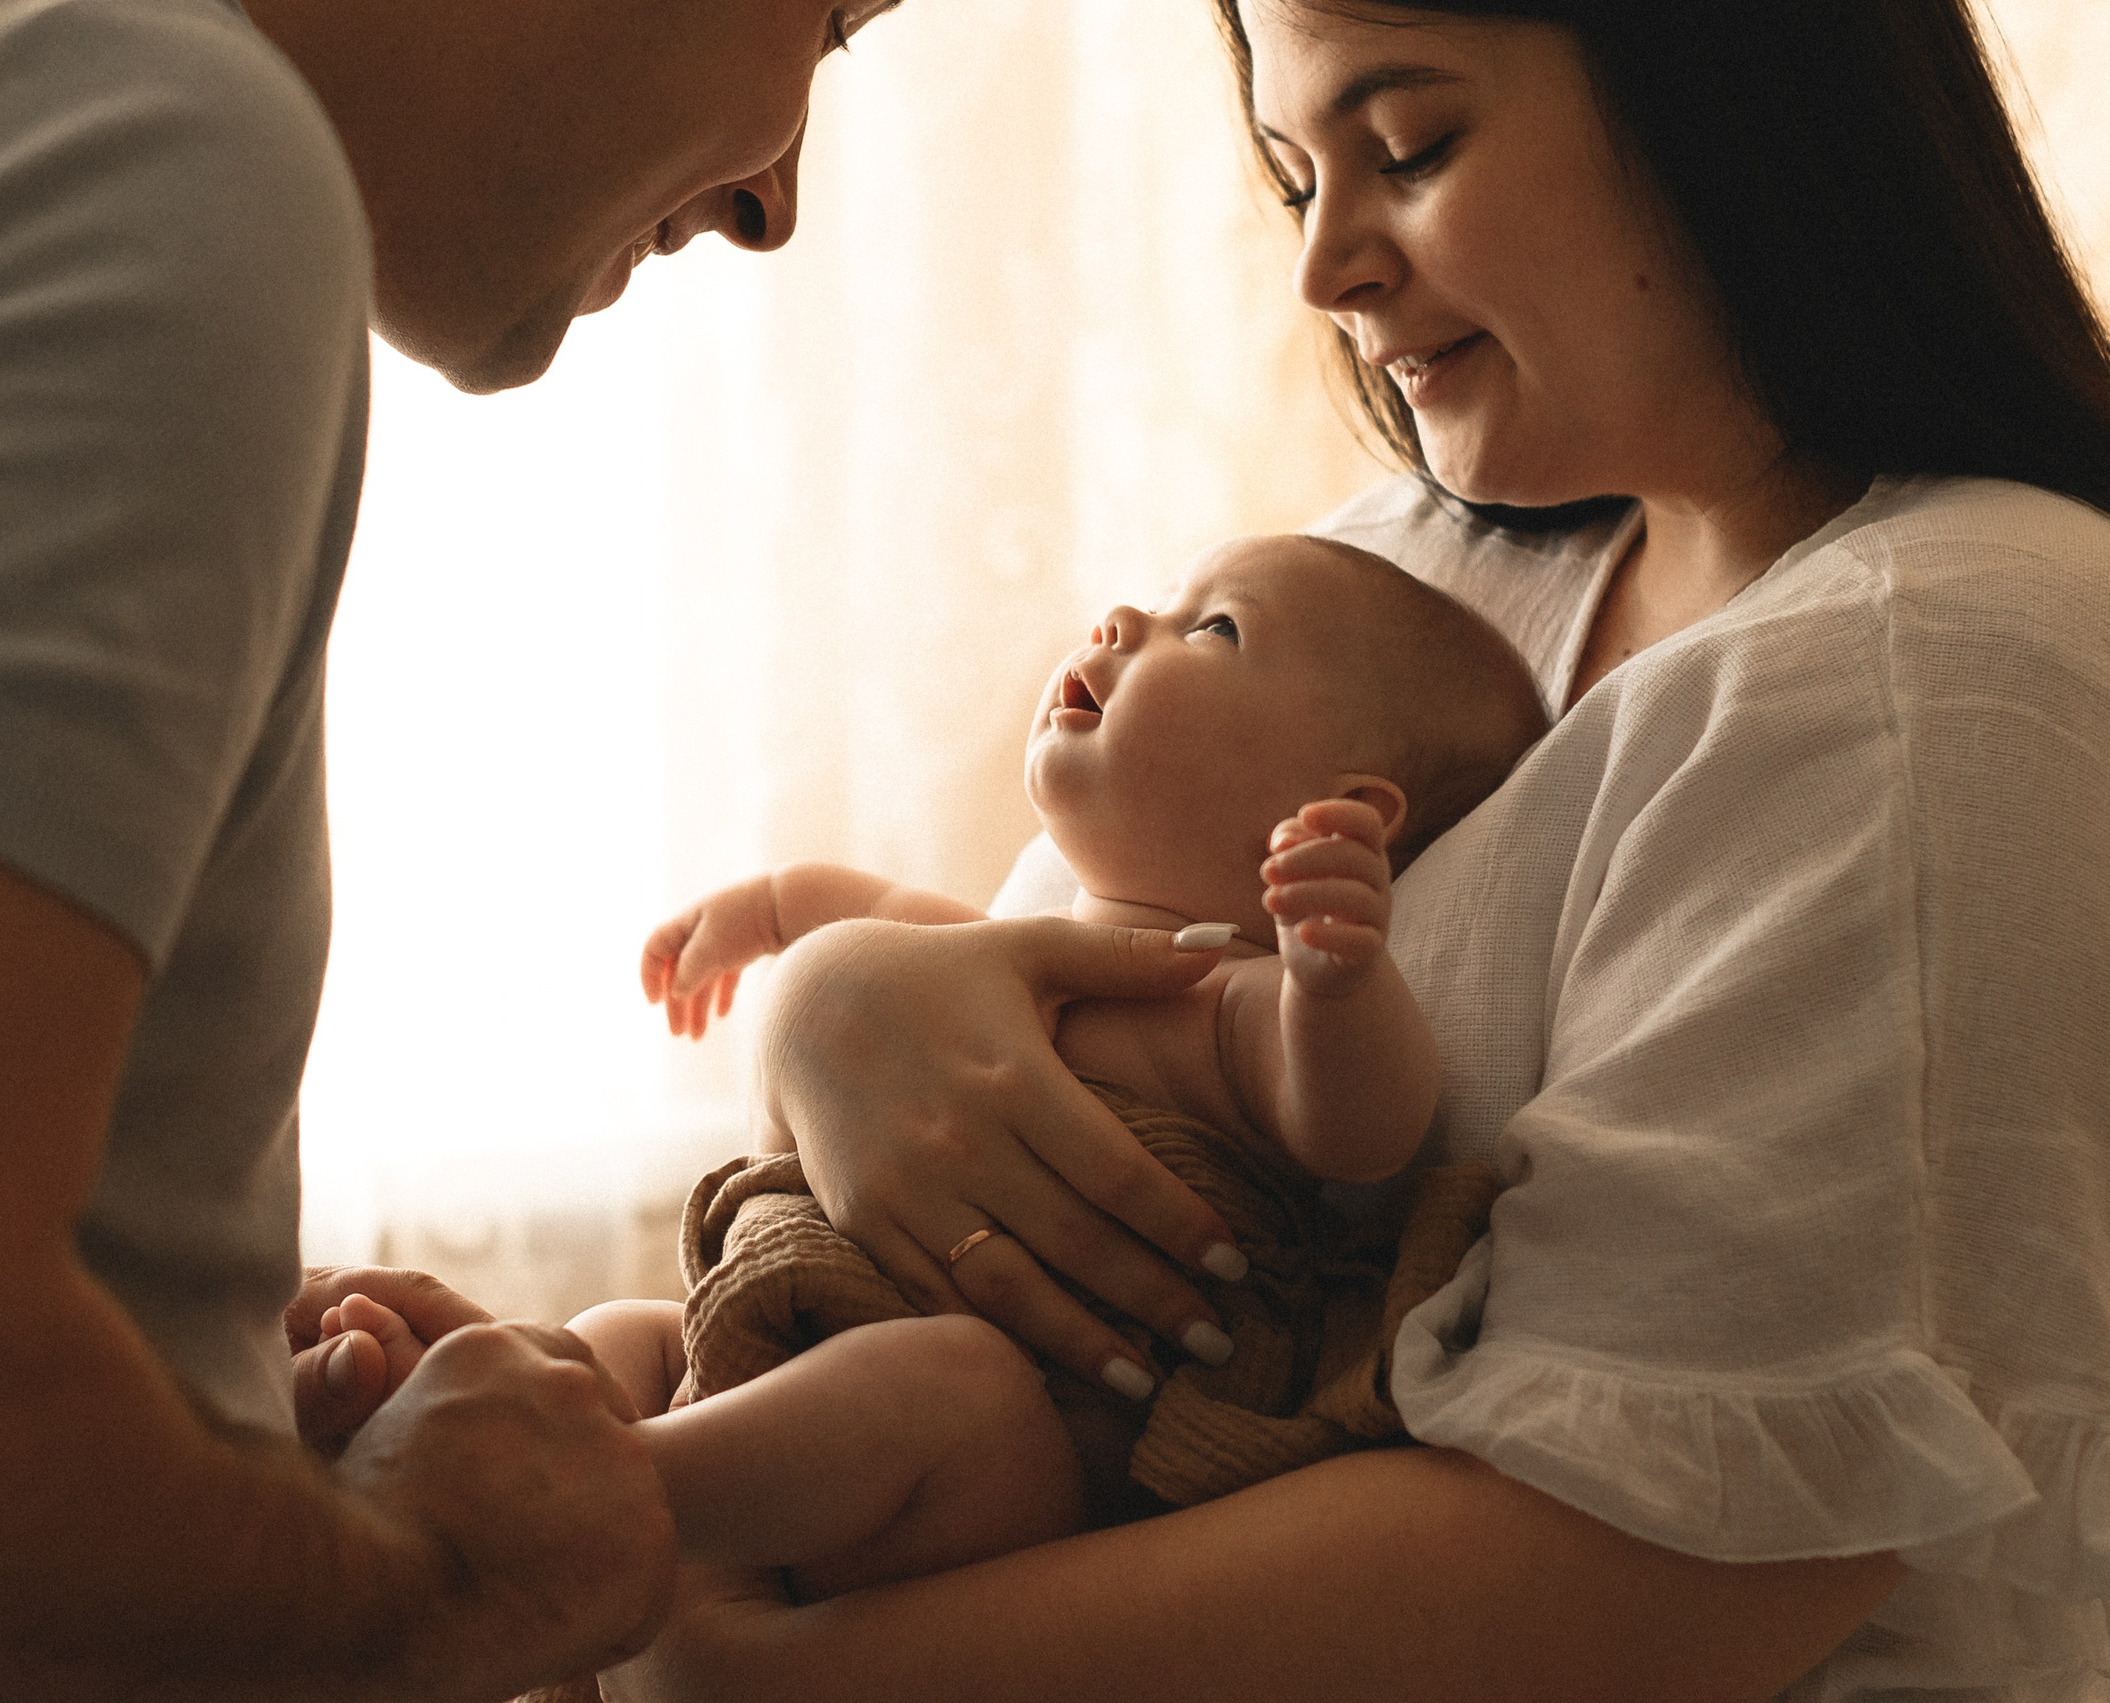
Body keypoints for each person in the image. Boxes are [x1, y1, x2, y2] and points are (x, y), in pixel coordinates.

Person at [0, 1, 1178, 1700]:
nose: (775, 202)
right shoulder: (128, 152)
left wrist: (193, 1391)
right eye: (832, 21)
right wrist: (434, 1587)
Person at [601, 2, 2110, 1699]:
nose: (1323, 267)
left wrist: (756, 1666)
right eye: (1293, 171)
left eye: (1412, 149)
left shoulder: (1940, 654)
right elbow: (1058, 1001)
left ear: (1728, 86)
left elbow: (1656, 1562)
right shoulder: (1420, 565)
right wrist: (829, 1006)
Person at [488, 533, 1548, 1610]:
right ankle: (499, 1424)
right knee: (622, 1332)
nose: (1124, 621)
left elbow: (1366, 1129)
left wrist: (1339, 976)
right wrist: (768, 910)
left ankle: (561, 1499)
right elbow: (886, 922)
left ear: (1345, 806)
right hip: (785, 1331)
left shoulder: (1222, 993)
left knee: (946, 1386)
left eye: (1213, 628)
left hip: (984, 1462)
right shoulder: (1011, 951)